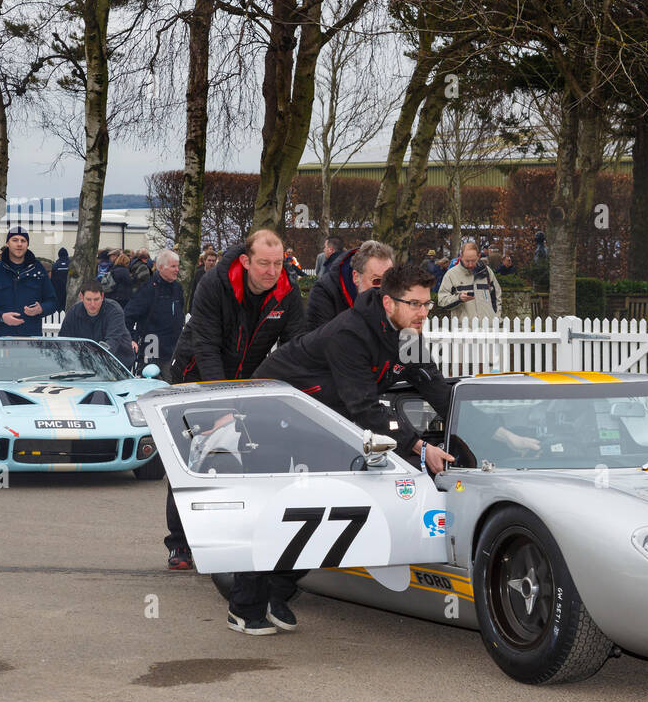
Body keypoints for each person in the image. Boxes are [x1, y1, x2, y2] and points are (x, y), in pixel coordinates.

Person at [245, 263, 457, 636]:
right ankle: (245, 606)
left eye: (429, 304)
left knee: (331, 507)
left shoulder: (408, 335)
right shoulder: (350, 333)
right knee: (286, 508)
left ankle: (279, 592)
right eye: (416, 304)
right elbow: (363, 407)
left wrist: (498, 434)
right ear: (389, 302)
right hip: (274, 412)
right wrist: (419, 446)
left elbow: (438, 391)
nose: (424, 313)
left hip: (325, 415)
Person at [163, 229, 305, 571]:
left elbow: (297, 344)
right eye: (264, 264)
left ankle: (240, 535)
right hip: (196, 376)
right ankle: (180, 542)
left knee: (249, 454)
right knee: (193, 459)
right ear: (246, 261)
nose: (272, 271)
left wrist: (291, 393)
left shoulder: (287, 291)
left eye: (278, 263)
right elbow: (206, 347)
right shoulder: (214, 284)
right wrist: (221, 406)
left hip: (247, 377)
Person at [0, 226, 57, 337]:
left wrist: (41, 309)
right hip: (1, 339)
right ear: (7, 243)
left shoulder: (38, 270)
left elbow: (53, 302)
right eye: (15, 240)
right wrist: (1, 316)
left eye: (23, 241)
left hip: (31, 339)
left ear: (27, 244)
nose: (19, 244)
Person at [305, 239, 394, 331]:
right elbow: (321, 341)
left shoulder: (397, 296)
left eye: (389, 281)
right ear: (356, 277)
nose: (384, 288)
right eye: (376, 281)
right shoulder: (323, 293)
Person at [124, 249, 185, 379]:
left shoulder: (178, 288)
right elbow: (128, 315)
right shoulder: (148, 289)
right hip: (152, 347)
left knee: (174, 386)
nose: (177, 270)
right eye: (173, 266)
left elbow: (181, 314)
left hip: (173, 348)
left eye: (177, 266)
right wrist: (132, 338)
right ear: (161, 267)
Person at [60, 280, 135, 367]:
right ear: (81, 296)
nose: (92, 304)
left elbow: (112, 342)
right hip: (85, 363)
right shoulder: (73, 313)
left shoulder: (114, 311)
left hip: (119, 362)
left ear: (102, 296)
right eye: (88, 299)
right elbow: (64, 341)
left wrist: (95, 359)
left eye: (96, 299)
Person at [437, 241, 502, 321]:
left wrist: (496, 317)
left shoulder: (487, 271)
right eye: (467, 261)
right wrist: (459, 298)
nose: (470, 264)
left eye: (473, 261)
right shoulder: (451, 274)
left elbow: (497, 296)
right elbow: (441, 301)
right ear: (461, 257)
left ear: (478, 256)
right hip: (463, 329)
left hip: (488, 327)